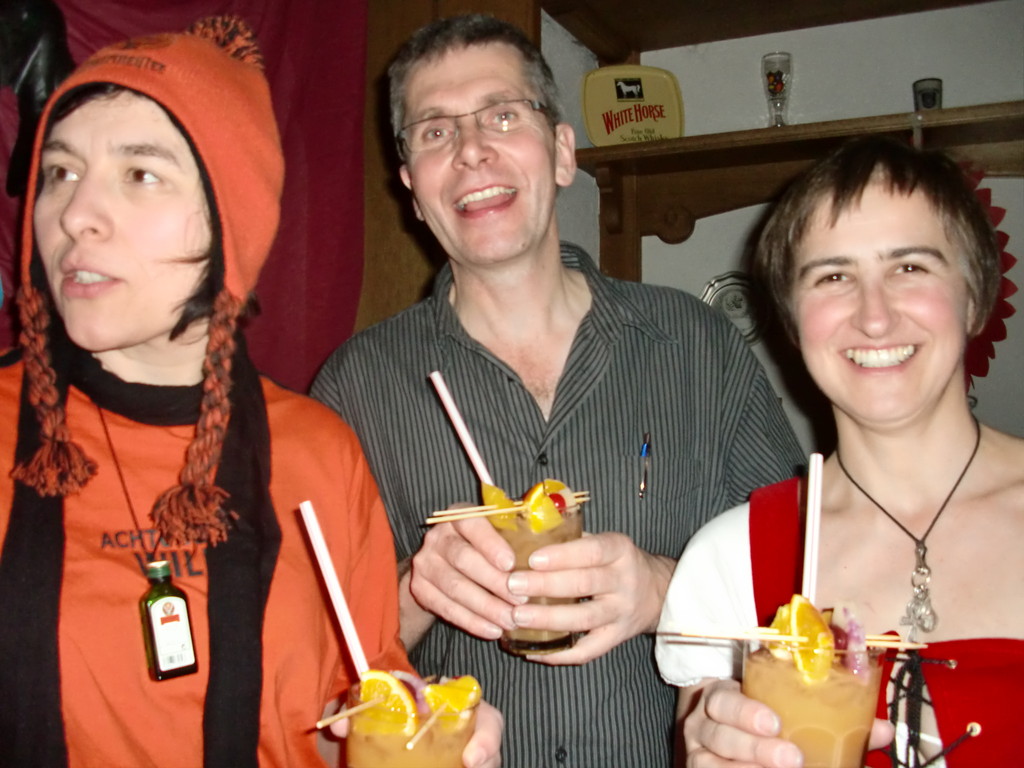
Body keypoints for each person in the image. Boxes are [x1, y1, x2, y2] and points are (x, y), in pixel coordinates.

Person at [0, 17, 500, 768]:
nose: (74, 216)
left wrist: (424, 736)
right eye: (60, 173)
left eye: (140, 174)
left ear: (233, 215)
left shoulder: (320, 451)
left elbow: (348, 712)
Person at [311, 13, 803, 767]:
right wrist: (412, 593)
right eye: (436, 132)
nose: (471, 150)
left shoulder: (701, 347)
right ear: (412, 188)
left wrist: (664, 591)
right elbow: (314, 683)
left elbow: (805, 594)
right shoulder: (353, 389)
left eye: (503, 116)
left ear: (563, 151)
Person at [655, 135, 1024, 767]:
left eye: (910, 267)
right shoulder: (727, 560)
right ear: (794, 323)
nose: (873, 317)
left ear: (975, 297)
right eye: (833, 276)